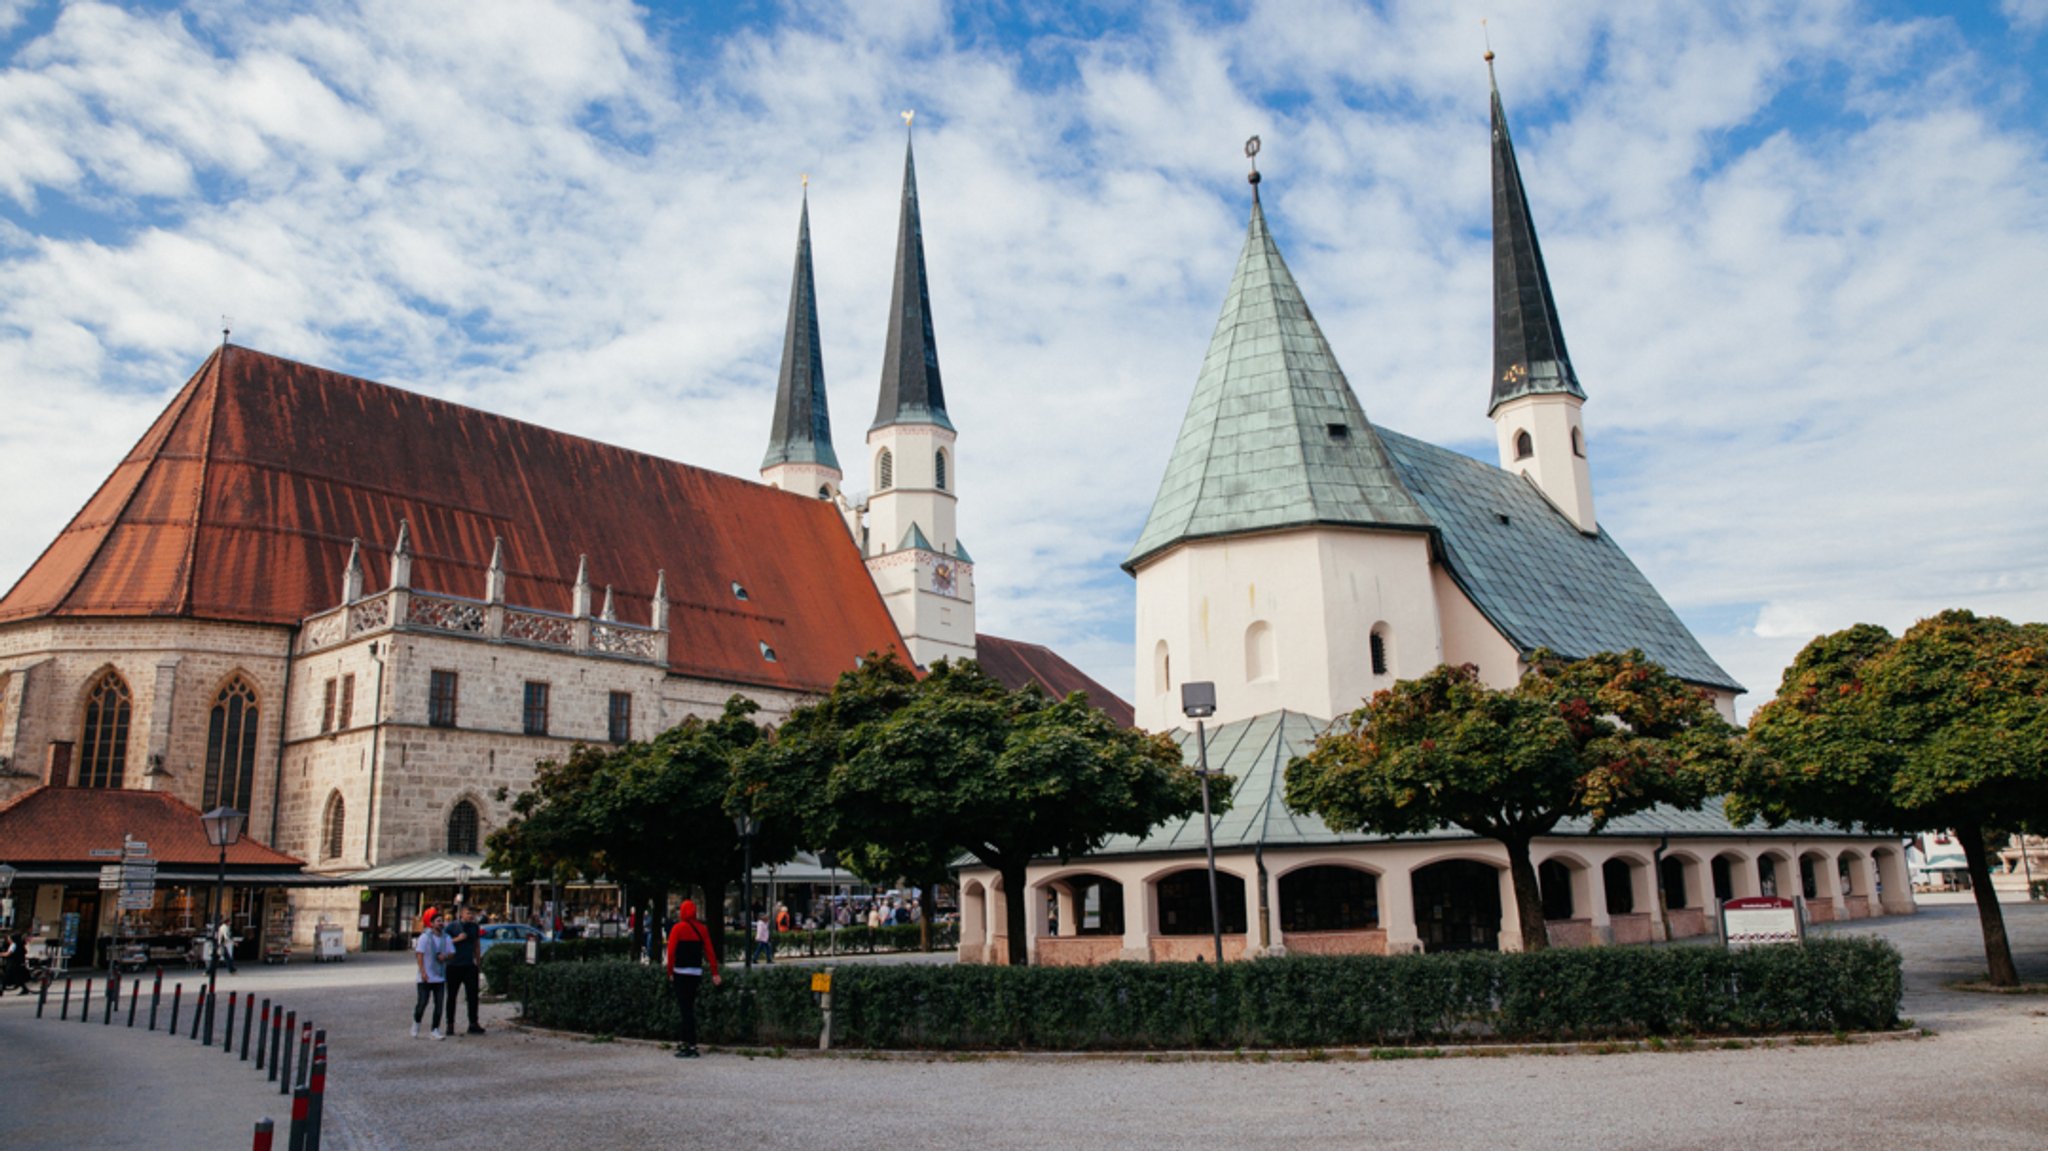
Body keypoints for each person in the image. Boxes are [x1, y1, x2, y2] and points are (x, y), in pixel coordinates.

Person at [664, 899, 720, 1058]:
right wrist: (714, 972)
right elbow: (710, 952)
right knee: (689, 1007)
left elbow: (671, 952)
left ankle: (690, 1044)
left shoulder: (677, 928)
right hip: (696, 973)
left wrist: (669, 972)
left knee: (685, 1009)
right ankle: (686, 1041)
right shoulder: (702, 929)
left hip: (680, 972)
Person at [412, 908, 455, 1039]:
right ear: (431, 924)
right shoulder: (425, 937)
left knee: (439, 1004)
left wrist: (446, 956)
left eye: (442, 921)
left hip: (440, 976)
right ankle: (416, 1023)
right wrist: (423, 972)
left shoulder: (446, 938)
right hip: (425, 977)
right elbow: (419, 955)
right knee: (422, 1003)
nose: (441, 923)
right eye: (438, 921)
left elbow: (452, 953)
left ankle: (435, 1029)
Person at [443, 905, 484, 1035]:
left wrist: (478, 961)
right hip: (454, 965)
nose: (470, 916)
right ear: (461, 914)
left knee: (472, 996)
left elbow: (476, 944)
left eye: (472, 913)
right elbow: (444, 943)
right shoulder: (452, 926)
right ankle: (450, 1024)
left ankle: (473, 1023)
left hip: (469, 965)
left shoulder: (474, 927)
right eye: (468, 913)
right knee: (452, 996)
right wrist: (457, 939)